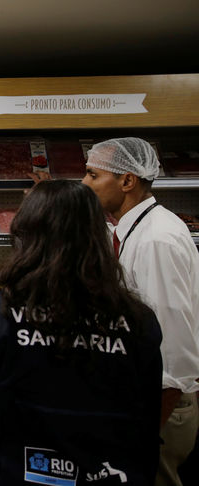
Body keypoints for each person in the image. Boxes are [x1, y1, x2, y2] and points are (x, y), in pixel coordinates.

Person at [0, 180, 163, 485]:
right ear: (98, 235)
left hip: (16, 474)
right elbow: (147, 423)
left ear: (27, 233)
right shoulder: (140, 321)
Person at [82, 137, 199, 486]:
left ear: (127, 181)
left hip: (162, 405)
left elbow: (173, 349)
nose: (84, 184)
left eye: (92, 175)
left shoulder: (156, 240)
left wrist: (149, 428)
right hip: (143, 398)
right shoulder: (131, 227)